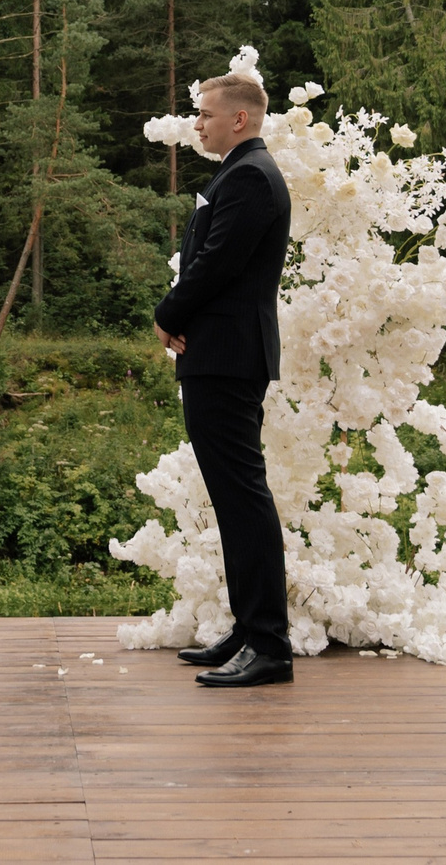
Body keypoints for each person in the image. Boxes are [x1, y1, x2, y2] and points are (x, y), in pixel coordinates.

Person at [152, 72, 295, 687]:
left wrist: (167, 314)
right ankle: (247, 630)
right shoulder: (241, 173)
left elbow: (215, 266)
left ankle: (269, 647)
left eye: (207, 115)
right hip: (221, 353)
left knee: (243, 498)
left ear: (240, 118)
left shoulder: (250, 178)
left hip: (228, 356)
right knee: (235, 500)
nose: (198, 124)